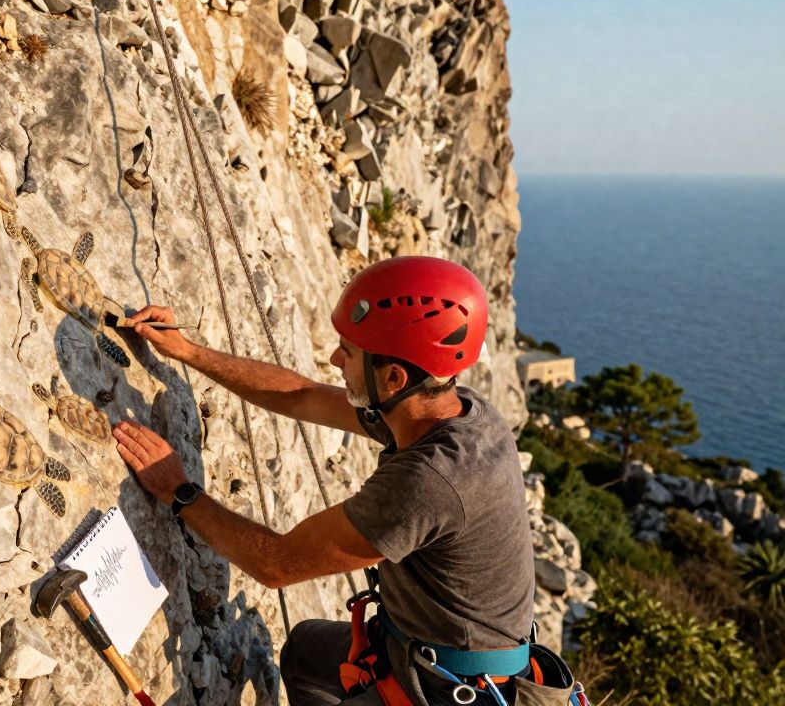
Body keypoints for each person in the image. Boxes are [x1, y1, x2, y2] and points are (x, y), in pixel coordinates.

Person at [114, 256, 577, 706]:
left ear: (394, 378)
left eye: (350, 352)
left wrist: (180, 491)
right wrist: (188, 351)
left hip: (447, 689)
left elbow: (275, 564)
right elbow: (303, 397)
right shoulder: (450, 410)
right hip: (428, 649)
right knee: (304, 652)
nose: (335, 358)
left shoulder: (430, 481)